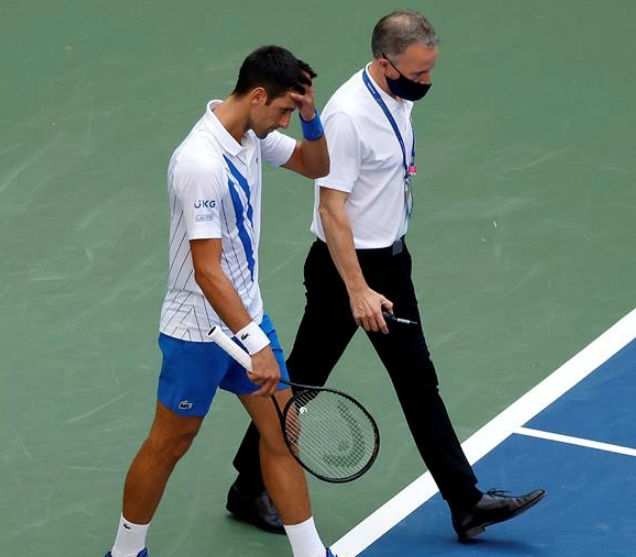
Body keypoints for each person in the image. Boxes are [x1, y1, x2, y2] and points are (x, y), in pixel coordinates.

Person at [226, 11, 546, 543]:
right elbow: (332, 208)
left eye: (430, 73)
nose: (425, 84)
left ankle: (246, 484)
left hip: (390, 261)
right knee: (342, 380)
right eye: (417, 75)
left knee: (313, 377)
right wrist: (358, 290)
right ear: (384, 62)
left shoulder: (397, 95)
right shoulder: (350, 115)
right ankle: (465, 502)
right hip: (348, 269)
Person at [105, 45, 336, 557]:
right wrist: (254, 344)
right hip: (199, 330)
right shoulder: (200, 163)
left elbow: (317, 163)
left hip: (247, 312)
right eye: (280, 110)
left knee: (282, 429)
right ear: (257, 95)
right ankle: (124, 552)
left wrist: (309, 116)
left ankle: (311, 551)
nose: (282, 123)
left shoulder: (252, 133)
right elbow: (207, 271)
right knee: (170, 443)